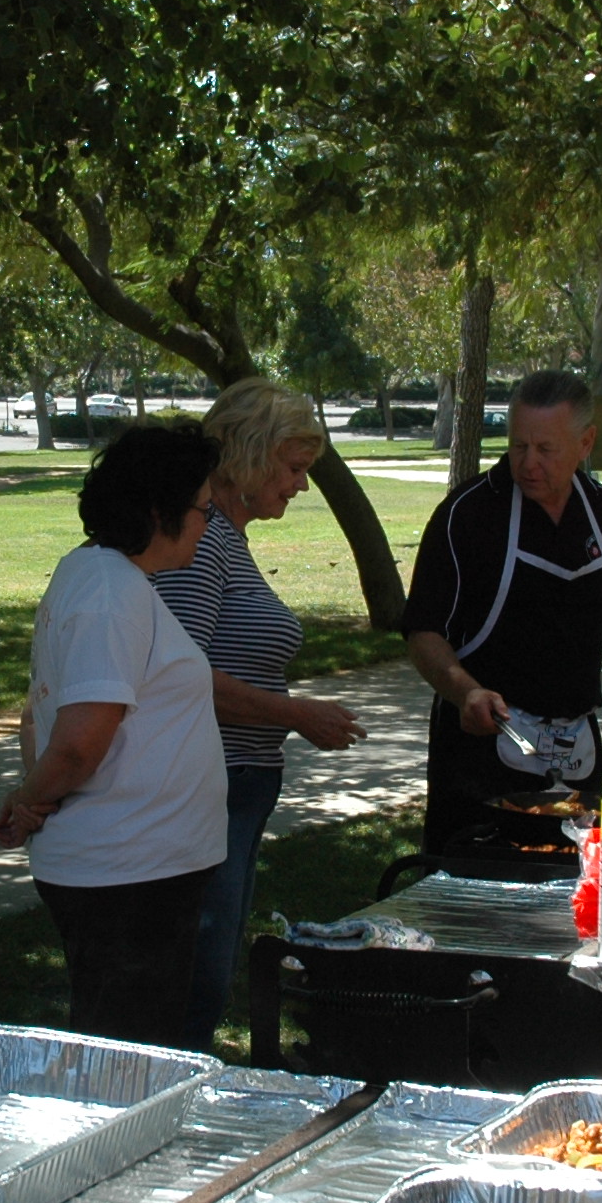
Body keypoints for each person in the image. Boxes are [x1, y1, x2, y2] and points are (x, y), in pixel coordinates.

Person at [0, 424, 228, 1046]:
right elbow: (77, 741)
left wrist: (31, 794)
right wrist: (29, 799)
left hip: (142, 875)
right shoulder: (109, 592)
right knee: (125, 1061)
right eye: (204, 509)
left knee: (134, 1051)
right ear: (158, 511)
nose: (210, 524)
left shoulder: (107, 580)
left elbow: (36, 715)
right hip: (128, 881)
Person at [154, 380, 368, 1046]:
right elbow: (178, 671)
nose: (301, 486)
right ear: (249, 456)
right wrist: (293, 712)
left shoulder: (228, 540)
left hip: (238, 789)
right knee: (193, 984)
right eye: (294, 468)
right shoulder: (202, 541)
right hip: (206, 788)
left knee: (206, 978)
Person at [403, 369, 602, 860]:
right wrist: (465, 691)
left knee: (574, 890)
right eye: (518, 445)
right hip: (482, 753)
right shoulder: (469, 514)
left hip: (577, 747)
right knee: (474, 894)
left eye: (546, 449)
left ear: (586, 442)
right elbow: (423, 632)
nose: (528, 463)